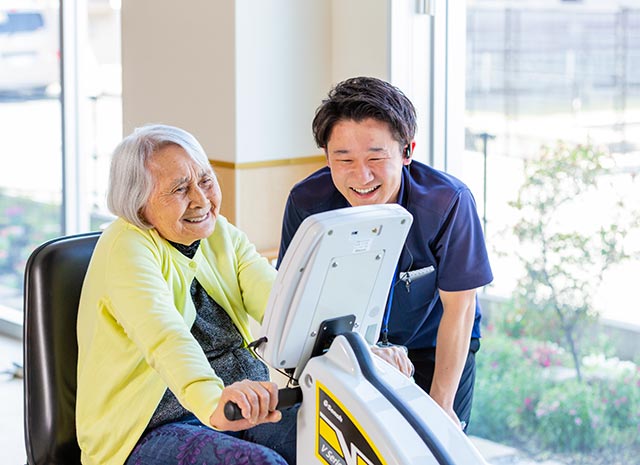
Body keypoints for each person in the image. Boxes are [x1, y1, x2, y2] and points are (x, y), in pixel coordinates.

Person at [277, 76, 494, 432]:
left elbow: (461, 308)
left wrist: (440, 406)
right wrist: (357, 351)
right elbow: (299, 304)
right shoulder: (307, 203)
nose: (361, 176)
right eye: (343, 159)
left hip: (434, 345)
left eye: (376, 157)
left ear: (407, 151)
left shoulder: (447, 203)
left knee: (431, 442)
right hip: (345, 348)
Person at [76, 124, 297, 465]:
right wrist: (213, 403)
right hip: (148, 427)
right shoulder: (126, 248)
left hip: (237, 407)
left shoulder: (220, 232)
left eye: (206, 180)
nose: (202, 200)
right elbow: (165, 336)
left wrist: (356, 348)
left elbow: (282, 304)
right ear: (138, 203)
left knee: (334, 435)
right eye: (180, 189)